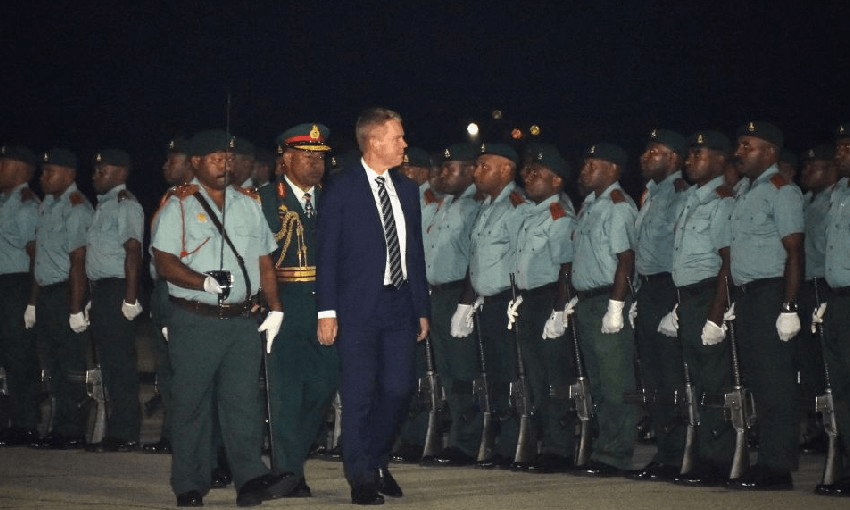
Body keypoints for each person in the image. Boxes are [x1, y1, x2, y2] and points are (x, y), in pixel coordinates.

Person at [152, 130, 297, 507]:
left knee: (243, 403)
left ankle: (250, 478)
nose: (224, 164)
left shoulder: (247, 203)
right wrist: (202, 281)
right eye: (216, 158)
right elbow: (164, 261)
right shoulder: (178, 206)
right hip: (196, 319)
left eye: (229, 158)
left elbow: (265, 257)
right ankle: (189, 483)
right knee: (191, 404)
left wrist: (275, 307)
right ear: (196, 162)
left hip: (240, 321)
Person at [315, 108, 429, 505]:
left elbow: (414, 254)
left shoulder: (408, 189)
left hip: (399, 304)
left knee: (399, 389)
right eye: (397, 137)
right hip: (357, 308)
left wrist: (421, 308)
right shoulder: (342, 189)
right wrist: (326, 311)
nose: (404, 144)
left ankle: (378, 459)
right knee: (360, 394)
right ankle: (361, 476)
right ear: (374, 141)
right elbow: (326, 254)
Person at [259, 123, 338, 497]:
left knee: (322, 387)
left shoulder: (333, 198)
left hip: (326, 305)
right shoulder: (262, 198)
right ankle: (289, 471)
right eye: (306, 156)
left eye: (319, 157)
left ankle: (291, 462)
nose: (315, 164)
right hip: (284, 302)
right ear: (286, 158)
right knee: (286, 392)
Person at [728, 121, 803, 490]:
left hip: (771, 293)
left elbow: (794, 252)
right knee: (758, 381)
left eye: (748, 146)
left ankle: (778, 466)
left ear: (770, 152)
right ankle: (766, 460)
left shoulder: (781, 191)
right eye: (739, 145)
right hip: (747, 296)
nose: (739, 152)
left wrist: (788, 307)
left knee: (775, 384)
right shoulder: (744, 191)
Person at [450, 143, 529, 469]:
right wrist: (466, 304)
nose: (476, 172)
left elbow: (522, 257)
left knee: (513, 375)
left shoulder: (517, 205)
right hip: (487, 303)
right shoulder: (487, 206)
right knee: (494, 377)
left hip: (509, 304)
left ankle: (515, 446)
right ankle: (499, 444)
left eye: (484, 166)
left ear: (507, 170)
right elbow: (480, 261)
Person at [669, 130, 736, 487]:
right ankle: (702, 456)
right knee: (696, 380)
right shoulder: (693, 199)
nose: (690, 160)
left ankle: (718, 458)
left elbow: (728, 261)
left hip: (710, 295)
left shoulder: (723, 201)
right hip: (689, 298)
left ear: (721, 160)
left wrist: (715, 314)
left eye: (699, 154)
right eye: (690, 153)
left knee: (714, 382)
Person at [571, 143, 638, 477]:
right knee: (597, 384)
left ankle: (616, 453)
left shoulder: (618, 206)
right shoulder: (589, 206)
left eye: (592, 164)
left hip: (608, 299)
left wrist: (616, 305)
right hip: (586, 300)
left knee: (616, 383)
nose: (585, 169)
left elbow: (626, 259)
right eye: (585, 163)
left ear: (612, 169)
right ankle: (603, 447)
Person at [513, 144, 577, 473]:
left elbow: (567, 266)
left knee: (555, 378)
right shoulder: (531, 214)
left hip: (551, 299)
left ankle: (560, 448)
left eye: (538, 174)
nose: (529, 178)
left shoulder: (559, 215)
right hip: (531, 300)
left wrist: (560, 309)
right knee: (538, 379)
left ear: (556, 182)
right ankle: (546, 443)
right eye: (528, 173)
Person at [630, 129, 689, 482]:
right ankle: (666, 452)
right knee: (653, 377)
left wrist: (679, 303)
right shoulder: (650, 194)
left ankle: (682, 451)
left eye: (655, 150)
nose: (645, 156)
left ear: (675, 158)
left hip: (671, 288)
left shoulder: (683, 195)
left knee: (672, 375)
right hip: (649, 290)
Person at [29, 148, 93, 450]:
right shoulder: (48, 206)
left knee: (70, 365)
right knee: (52, 364)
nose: (44, 177)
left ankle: (72, 429)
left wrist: (75, 308)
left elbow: (78, 260)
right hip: (47, 292)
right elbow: (41, 259)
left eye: (50, 171)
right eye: (43, 171)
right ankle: (58, 426)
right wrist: (33, 301)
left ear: (68, 174)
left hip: (67, 292)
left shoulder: (75, 207)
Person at [423, 143, 481, 467]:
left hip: (459, 294)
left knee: (462, 373)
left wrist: (466, 303)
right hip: (437, 295)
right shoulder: (444, 204)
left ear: (470, 171)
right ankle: (457, 437)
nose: (442, 173)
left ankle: (466, 442)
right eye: (442, 168)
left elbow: (477, 260)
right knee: (446, 373)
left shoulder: (474, 206)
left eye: (450, 168)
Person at [84, 149, 144, 453]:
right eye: (95, 171)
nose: (96, 175)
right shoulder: (102, 206)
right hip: (103, 290)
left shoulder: (126, 205)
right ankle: (114, 429)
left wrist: (130, 298)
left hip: (119, 288)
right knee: (107, 363)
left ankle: (126, 433)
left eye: (102, 170)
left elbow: (133, 251)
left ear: (121, 172)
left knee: (120, 363)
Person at [143, 136, 193, 455]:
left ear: (191, 163)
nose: (165, 165)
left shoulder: (196, 200)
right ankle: (169, 433)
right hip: (161, 288)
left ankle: (183, 436)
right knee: (165, 366)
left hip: (183, 288)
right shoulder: (168, 198)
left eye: (173, 160)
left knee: (185, 366)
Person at [815, 123, 850, 497]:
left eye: (846, 147)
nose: (839, 153)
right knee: (840, 386)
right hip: (838, 296)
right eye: (838, 146)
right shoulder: (839, 192)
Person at [0, 145, 41, 447]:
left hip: (16, 284)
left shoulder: (27, 205)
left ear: (23, 170)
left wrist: (31, 300)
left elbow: (34, 255)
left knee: (19, 356)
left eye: (5, 164)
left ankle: (26, 422)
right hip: (3, 283)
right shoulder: (5, 201)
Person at [796, 144, 836, 454]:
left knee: (830, 363)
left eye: (814, 167)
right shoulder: (806, 202)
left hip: (829, 284)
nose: (806, 172)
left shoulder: (837, 201)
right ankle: (820, 427)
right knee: (811, 363)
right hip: (807, 286)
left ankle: (834, 430)